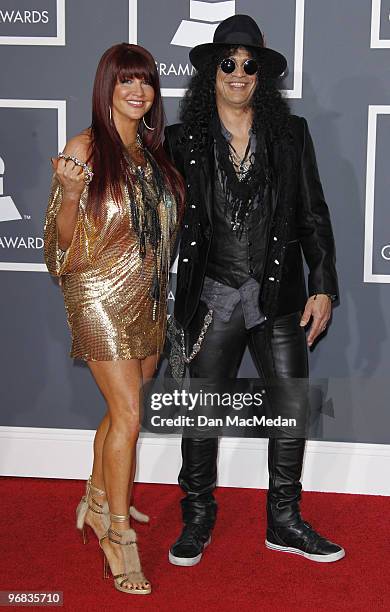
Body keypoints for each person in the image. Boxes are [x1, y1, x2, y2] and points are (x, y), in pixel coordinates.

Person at [164, 14, 345, 566]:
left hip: (278, 297)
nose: (239, 73)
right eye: (228, 63)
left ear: (261, 75)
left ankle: (284, 521)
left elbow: (312, 214)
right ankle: (197, 517)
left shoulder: (291, 134)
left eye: (250, 65)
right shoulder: (181, 139)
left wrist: (324, 287)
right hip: (212, 297)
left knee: (290, 408)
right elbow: (151, 215)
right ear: (210, 72)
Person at [44, 42, 183, 594]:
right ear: (107, 87)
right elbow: (61, 249)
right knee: (128, 414)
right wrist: (72, 195)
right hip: (97, 291)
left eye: (145, 81)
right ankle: (119, 538)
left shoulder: (151, 153)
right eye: (126, 80)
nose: (137, 90)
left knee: (124, 403)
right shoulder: (85, 146)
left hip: (147, 296)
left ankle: (98, 500)